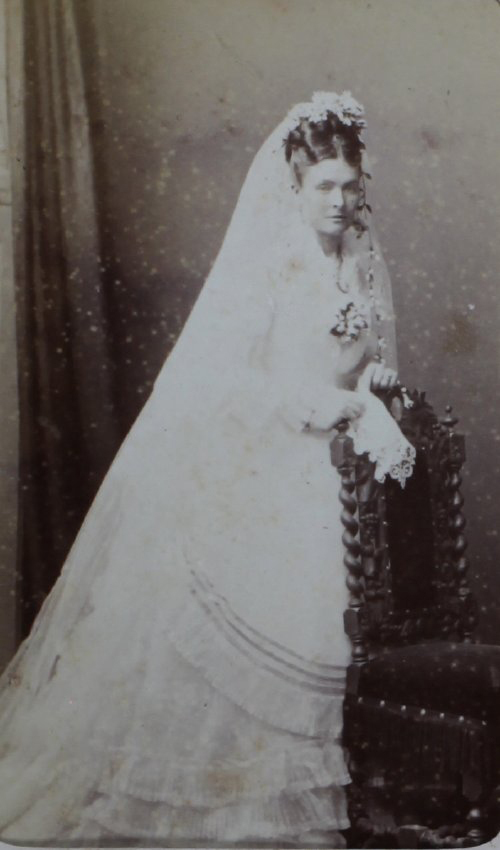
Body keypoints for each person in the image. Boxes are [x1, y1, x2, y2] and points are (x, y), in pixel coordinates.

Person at [0, 92, 415, 847]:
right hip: (263, 477)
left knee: (329, 628)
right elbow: (229, 382)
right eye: (322, 185)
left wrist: (371, 392)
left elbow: (363, 365)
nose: (338, 200)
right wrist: (328, 405)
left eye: (349, 185)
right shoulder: (271, 266)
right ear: (294, 188)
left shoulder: (358, 263)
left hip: (333, 485)